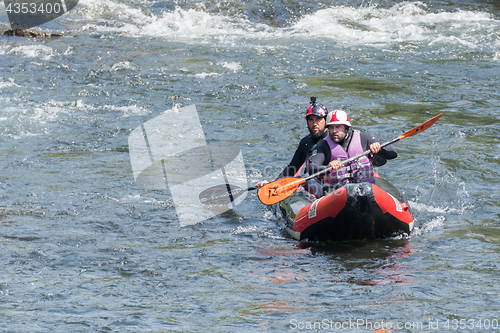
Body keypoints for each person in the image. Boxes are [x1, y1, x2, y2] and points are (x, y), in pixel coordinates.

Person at [306, 109, 397, 197]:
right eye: (331, 127)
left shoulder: (363, 138)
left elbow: (392, 154)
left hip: (366, 192)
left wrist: (380, 148)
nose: (334, 131)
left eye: (338, 127)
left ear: (346, 128)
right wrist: (328, 168)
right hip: (337, 196)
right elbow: (312, 168)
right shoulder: (323, 146)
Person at [255, 97, 328, 188]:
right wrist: (273, 184)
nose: (314, 124)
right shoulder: (305, 142)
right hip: (310, 182)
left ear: (325, 120)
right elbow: (292, 168)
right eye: (311, 120)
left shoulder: (332, 139)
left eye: (318, 119)